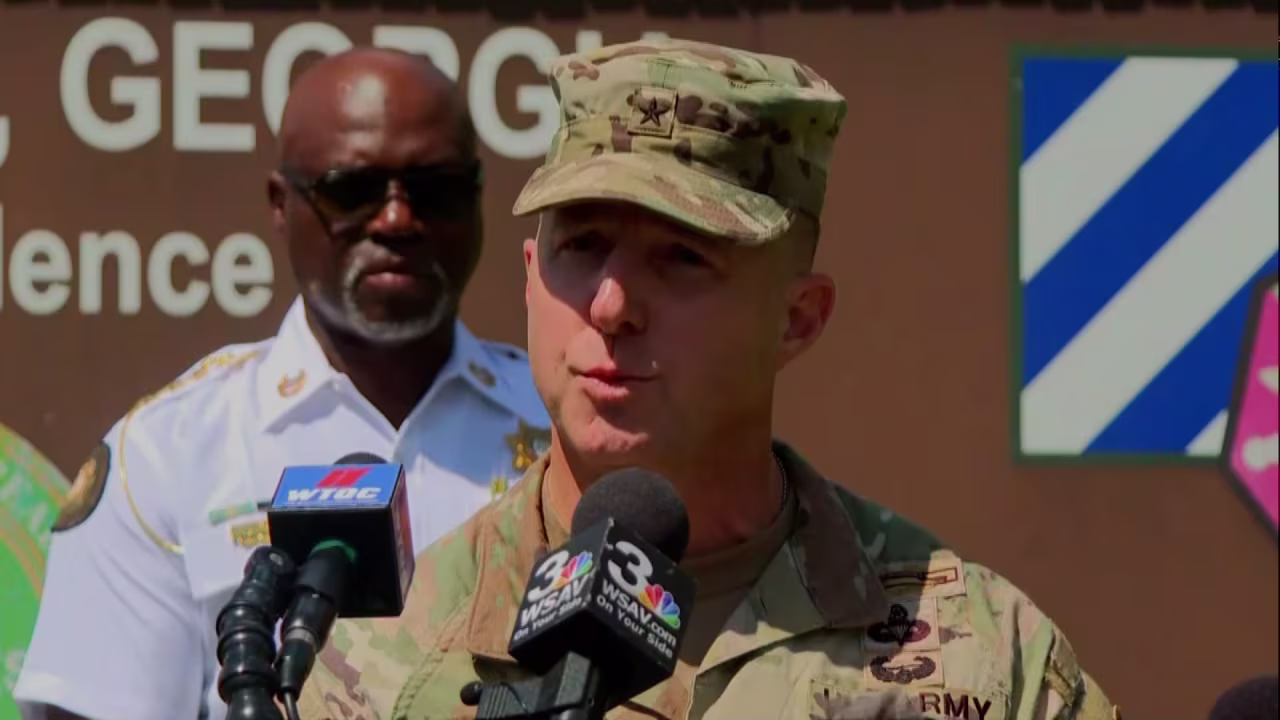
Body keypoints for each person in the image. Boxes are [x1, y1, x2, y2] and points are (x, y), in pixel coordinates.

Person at [295, 38, 1122, 720]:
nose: (613, 303)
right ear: (528, 275)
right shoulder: (390, 656)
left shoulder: (982, 654)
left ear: (798, 318)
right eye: (580, 247)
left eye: (682, 258)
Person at [13, 48, 550, 720]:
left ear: (476, 199)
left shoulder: (571, 424)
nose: (396, 220)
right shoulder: (168, 452)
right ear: (280, 204)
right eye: (352, 190)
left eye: (434, 188)